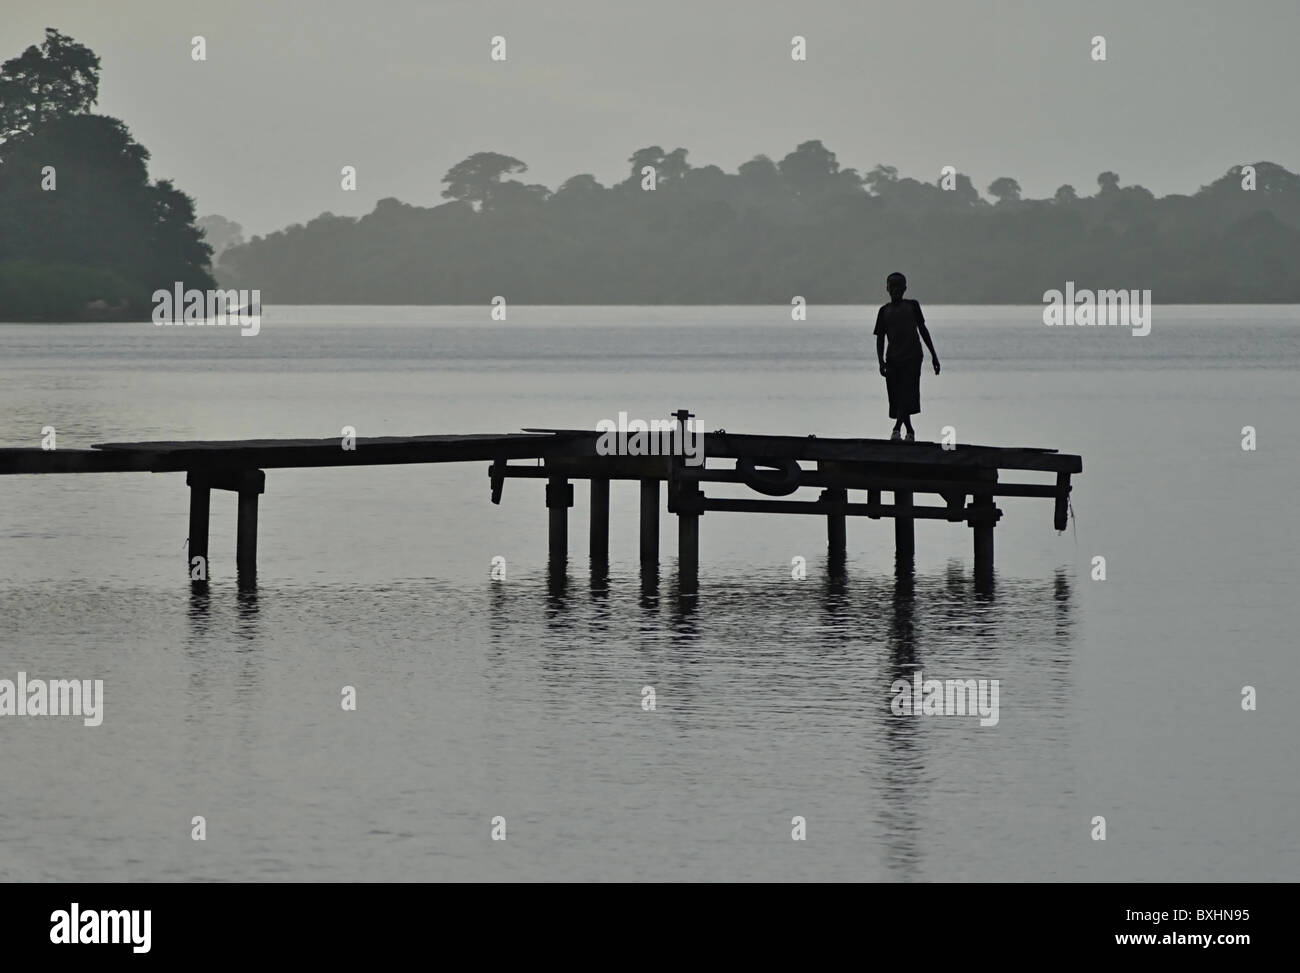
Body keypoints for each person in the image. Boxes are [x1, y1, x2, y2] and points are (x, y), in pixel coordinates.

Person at [874, 272, 939, 440]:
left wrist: (934, 355)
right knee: (897, 396)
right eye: (892, 286)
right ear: (886, 288)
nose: (895, 289)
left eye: (899, 286)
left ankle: (896, 429)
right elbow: (880, 338)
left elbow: (923, 330)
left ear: (905, 289)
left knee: (907, 393)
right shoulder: (884, 311)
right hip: (893, 359)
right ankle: (910, 431)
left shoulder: (912, 306)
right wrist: (881, 362)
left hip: (912, 357)